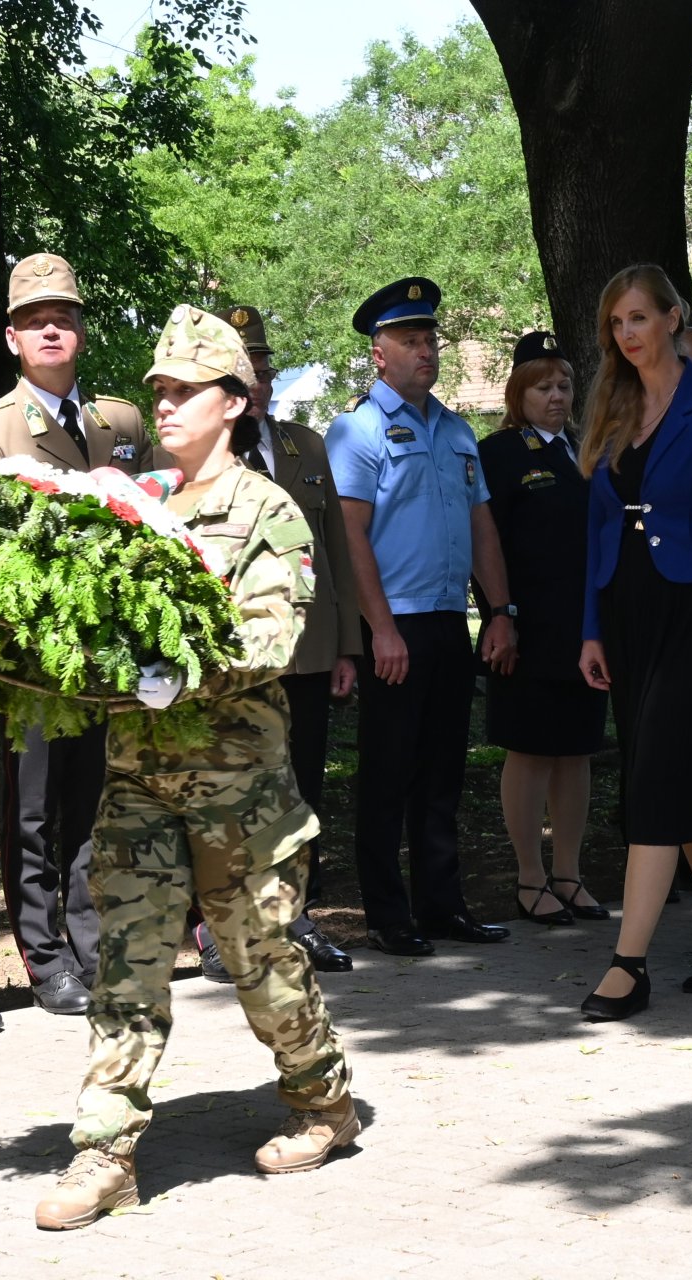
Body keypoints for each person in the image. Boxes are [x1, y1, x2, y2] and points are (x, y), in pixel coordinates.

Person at [34, 305, 354, 1231]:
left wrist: (182, 667)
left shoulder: (266, 511)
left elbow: (275, 633)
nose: (164, 405)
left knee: (264, 968)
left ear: (235, 402)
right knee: (127, 969)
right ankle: (104, 1152)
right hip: (138, 779)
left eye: (183, 391)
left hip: (239, 793)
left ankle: (323, 1098)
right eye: (158, 391)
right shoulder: (138, 508)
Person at [575, 263, 692, 1021]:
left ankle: (629, 963)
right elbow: (595, 529)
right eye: (617, 324)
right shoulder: (611, 406)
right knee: (681, 782)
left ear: (674, 319)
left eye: (639, 319)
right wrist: (591, 626)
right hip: (626, 606)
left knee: (654, 776)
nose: (627, 335)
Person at [0, 252, 145, 1017]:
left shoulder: (123, 423)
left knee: (97, 807)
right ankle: (44, 958)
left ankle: (89, 938)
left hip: (107, 659)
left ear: (80, 330)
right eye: (34, 319)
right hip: (33, 665)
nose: (50, 328)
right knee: (35, 814)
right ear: (12, 338)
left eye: (63, 316)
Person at [325, 277, 514, 957]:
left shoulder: (458, 429)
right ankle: (386, 914)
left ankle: (442, 905)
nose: (426, 350)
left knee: (442, 772)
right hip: (395, 624)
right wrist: (379, 630)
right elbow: (351, 540)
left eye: (430, 338)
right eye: (410, 340)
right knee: (387, 774)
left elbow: (481, 526)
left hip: (447, 622)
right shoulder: (357, 430)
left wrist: (501, 611)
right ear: (379, 353)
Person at [223, 304, 360, 974]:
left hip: (307, 652)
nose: (257, 383)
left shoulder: (305, 444)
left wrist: (347, 647)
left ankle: (294, 918)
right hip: (238, 659)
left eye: (264, 370)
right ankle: (223, 932)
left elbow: (334, 549)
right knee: (235, 792)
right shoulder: (196, 455)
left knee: (301, 791)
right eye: (243, 371)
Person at [475, 331, 609, 925]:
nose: (557, 396)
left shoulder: (588, 448)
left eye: (564, 385)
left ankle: (569, 873)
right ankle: (530, 876)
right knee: (529, 751)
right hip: (525, 628)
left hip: (582, 629)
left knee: (576, 751)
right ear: (517, 393)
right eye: (543, 387)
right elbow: (485, 545)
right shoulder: (500, 453)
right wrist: (498, 616)